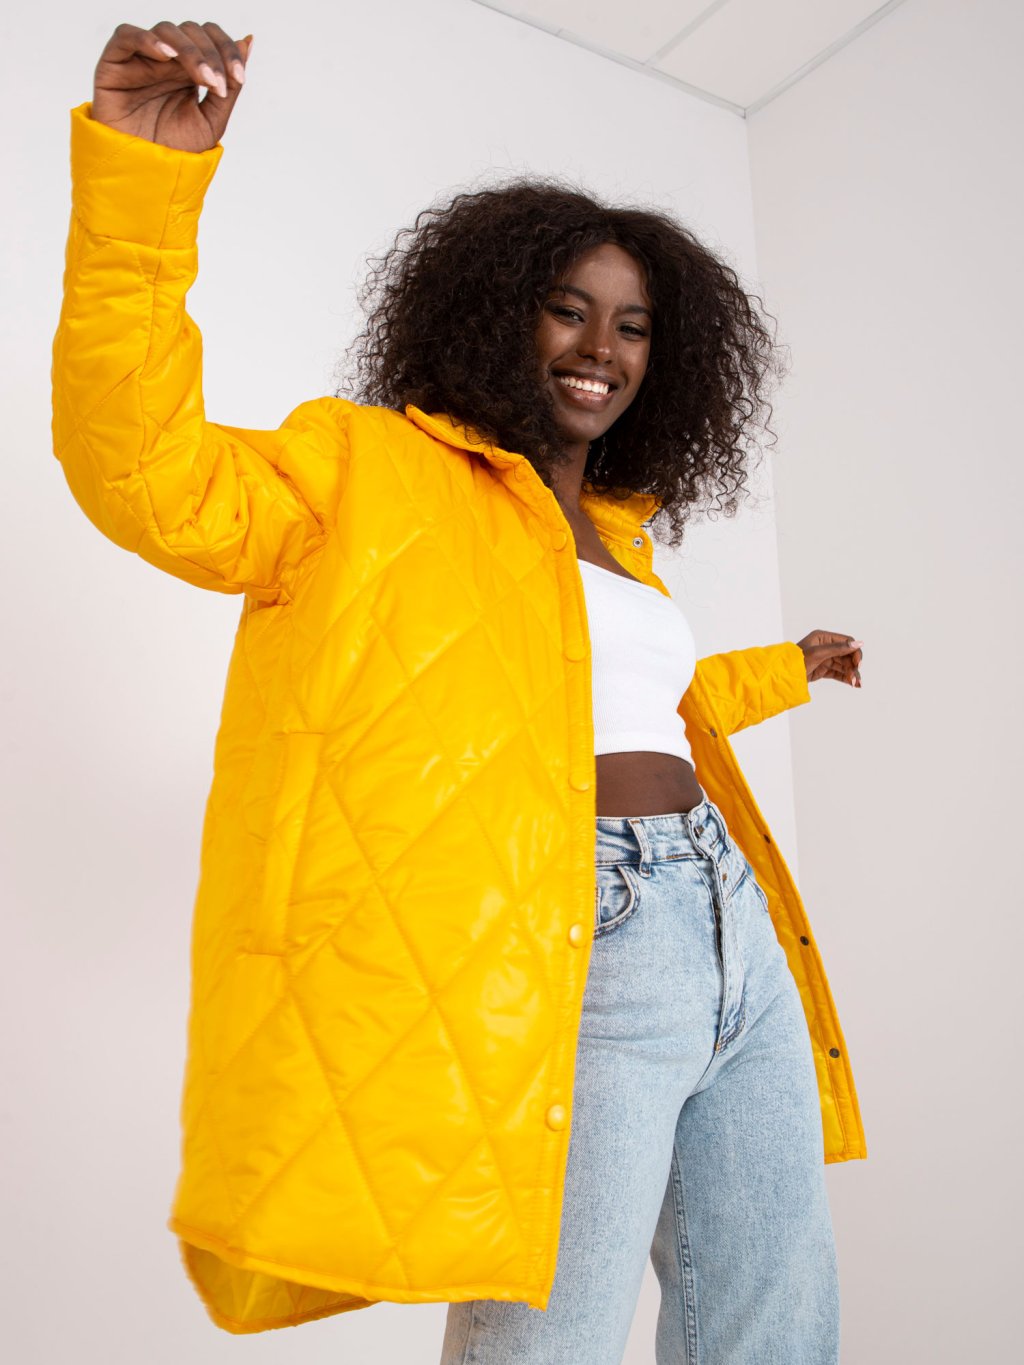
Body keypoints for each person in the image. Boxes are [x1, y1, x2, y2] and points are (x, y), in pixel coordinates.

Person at [51, 19, 867, 1362]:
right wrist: (144, 194)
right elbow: (145, 470)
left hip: (730, 915)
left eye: (634, 325)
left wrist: (794, 667)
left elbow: (640, 708)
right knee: (553, 1330)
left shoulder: (622, 535)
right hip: (575, 936)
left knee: (776, 1317)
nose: (601, 346)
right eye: (568, 308)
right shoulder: (366, 471)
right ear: (492, 312)